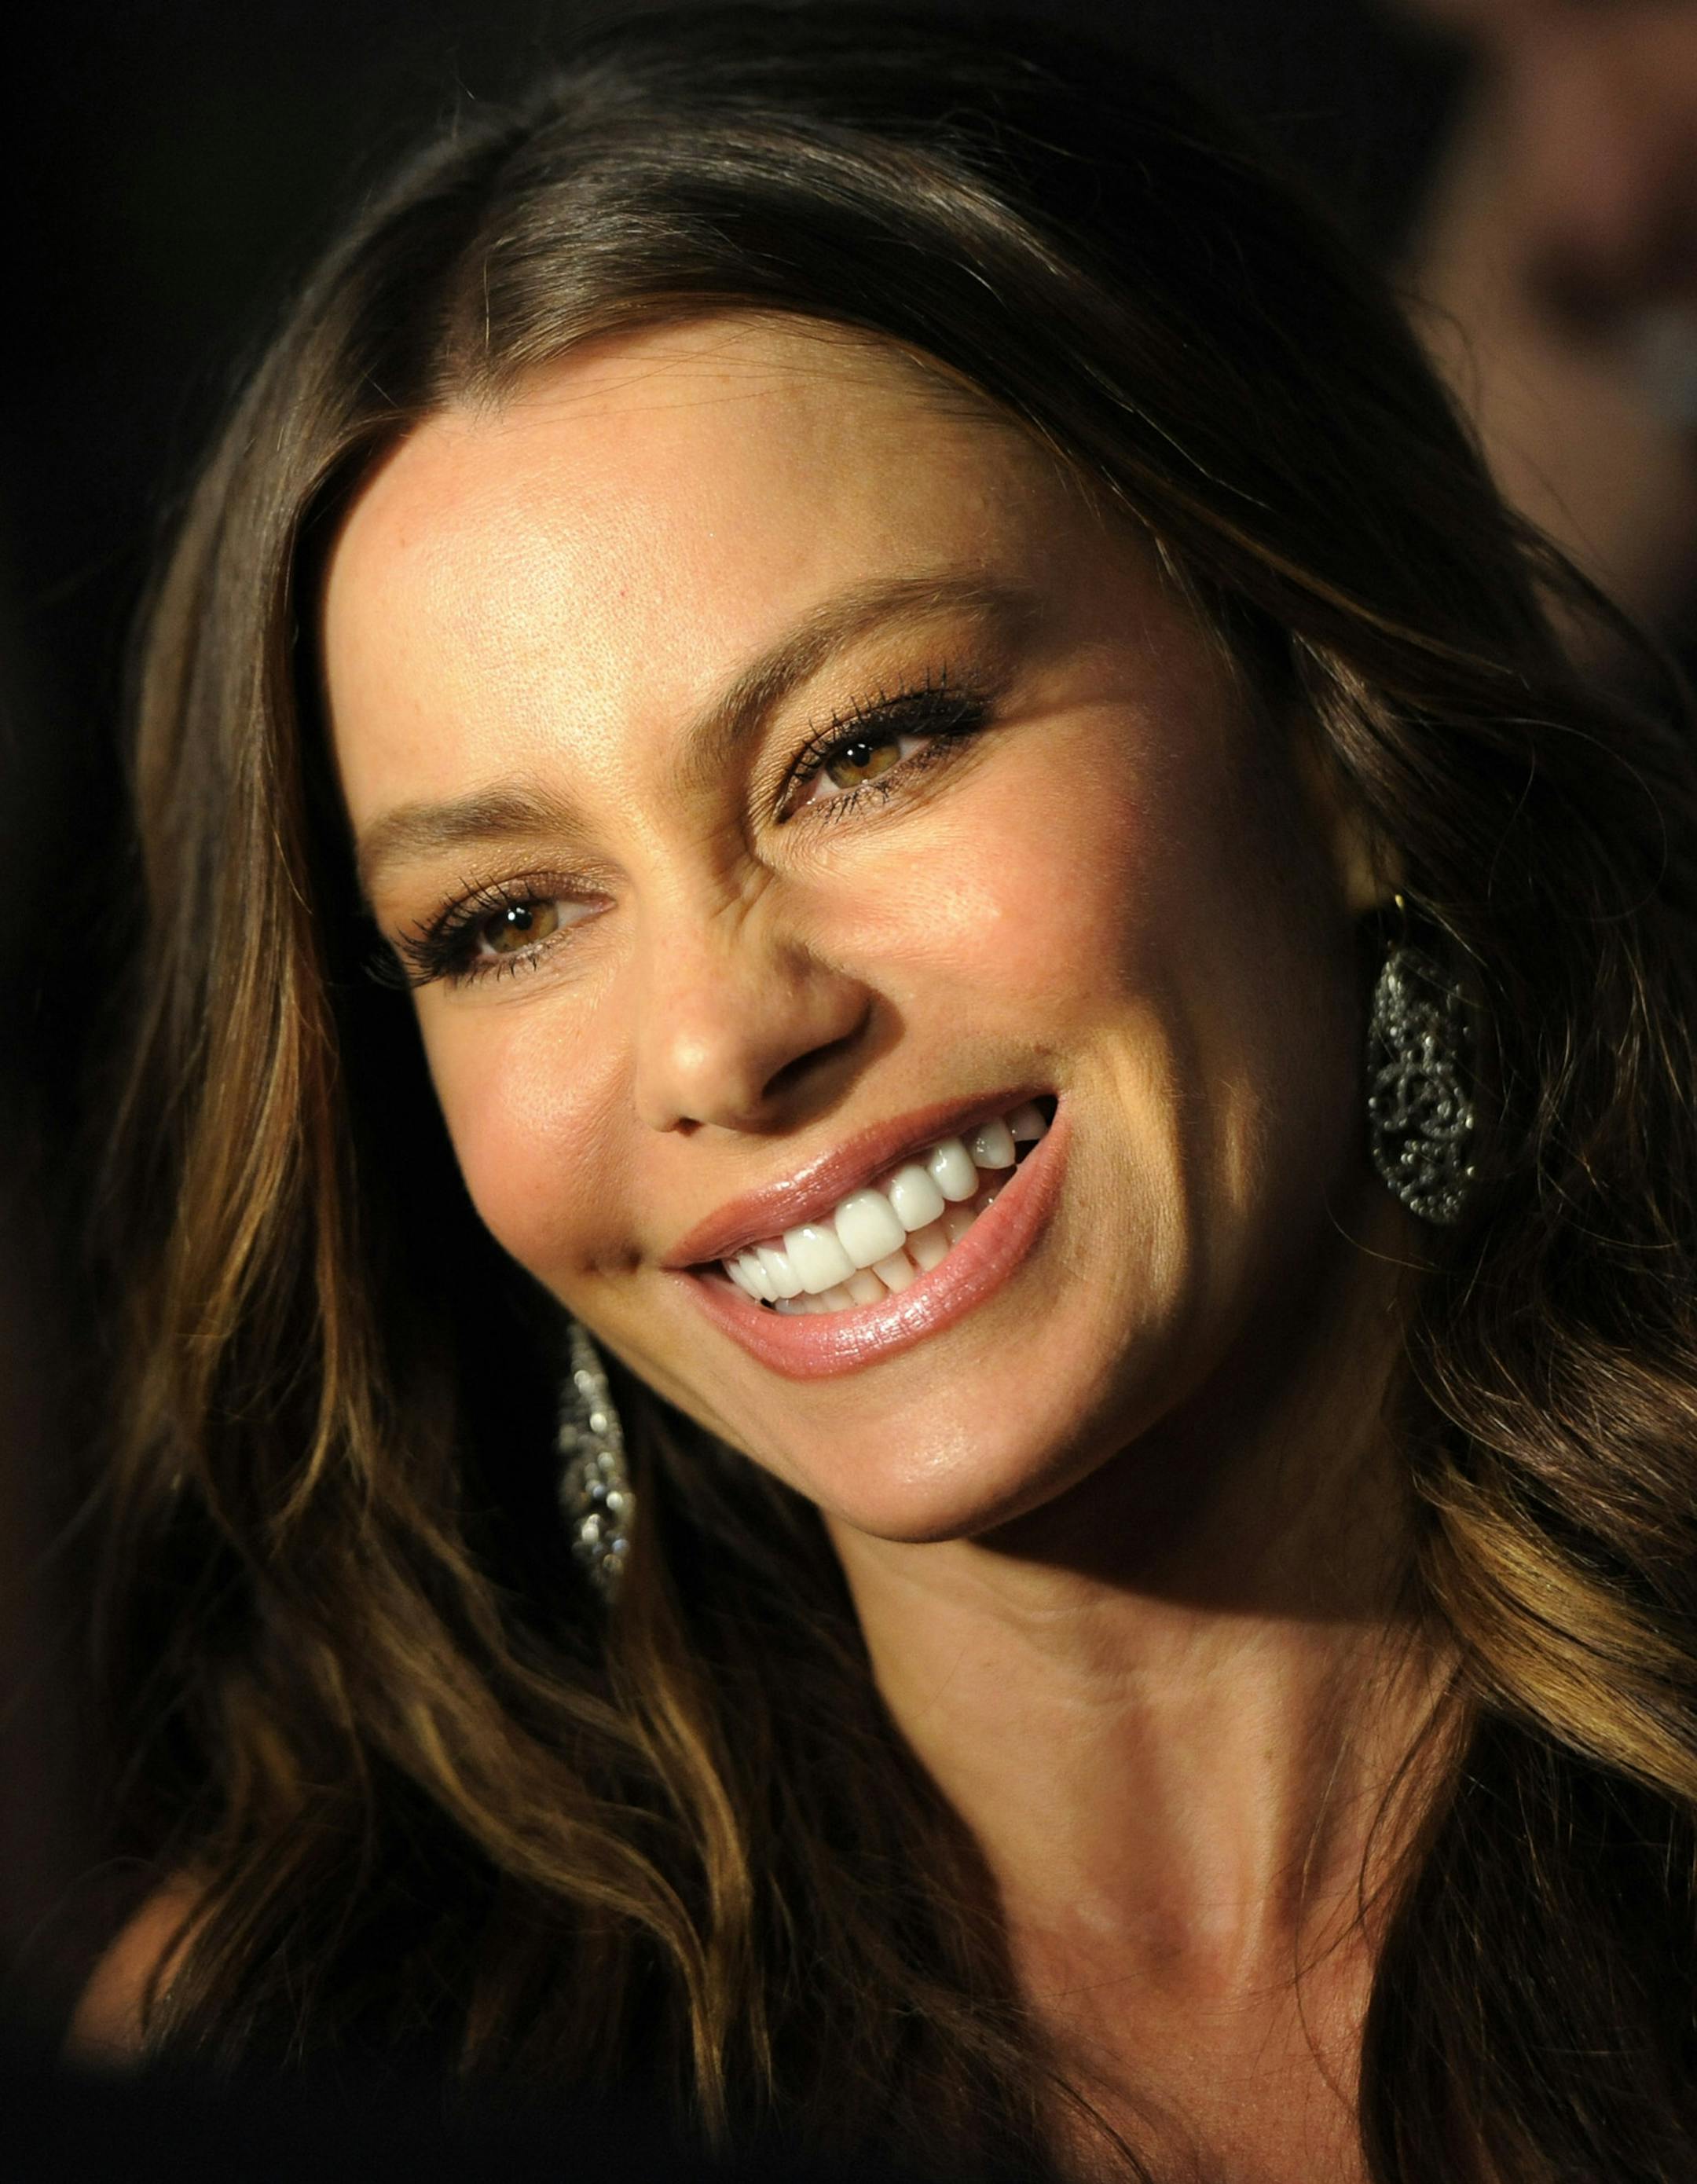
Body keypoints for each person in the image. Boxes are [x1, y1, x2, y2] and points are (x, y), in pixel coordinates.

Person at [71, 5, 1697, 2178]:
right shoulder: (285, 2052)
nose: (724, 1036)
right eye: (504, 919)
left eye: (868, 744)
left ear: (1319, 722)